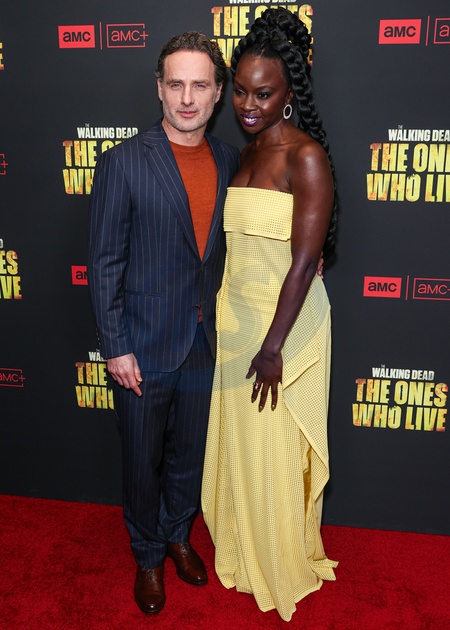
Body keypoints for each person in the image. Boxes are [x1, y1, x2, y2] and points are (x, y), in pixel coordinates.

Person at [88, 32, 240, 615]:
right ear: (159, 88)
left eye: (200, 85)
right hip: (142, 345)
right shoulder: (123, 162)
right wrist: (115, 346)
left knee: (189, 453)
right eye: (176, 84)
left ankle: (178, 535)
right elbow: (105, 262)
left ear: (219, 92)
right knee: (141, 458)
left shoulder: (231, 161)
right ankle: (148, 554)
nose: (187, 98)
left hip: (205, 341)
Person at [201, 8, 338, 622]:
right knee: (245, 445)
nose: (248, 104)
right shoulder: (244, 154)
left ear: (289, 94)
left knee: (275, 448)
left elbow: (304, 263)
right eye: (240, 91)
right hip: (238, 322)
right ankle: (243, 543)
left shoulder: (304, 157)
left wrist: (273, 346)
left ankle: (279, 559)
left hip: (281, 330)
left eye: (264, 93)